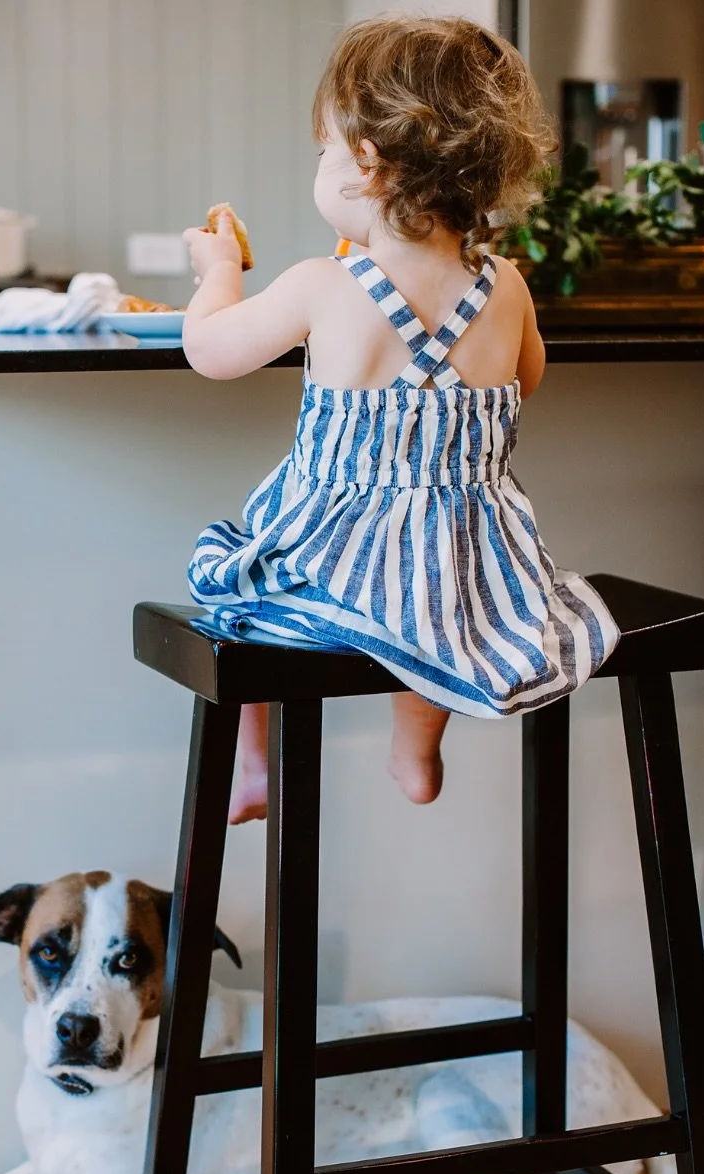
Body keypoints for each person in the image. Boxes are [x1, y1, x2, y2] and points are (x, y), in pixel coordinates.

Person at [181, 15, 619, 824]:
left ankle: (254, 766)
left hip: (330, 559)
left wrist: (218, 272)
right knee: (436, 612)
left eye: (324, 152)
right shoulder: (507, 285)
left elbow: (210, 350)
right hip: (467, 567)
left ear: (368, 163)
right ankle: (416, 751)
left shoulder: (322, 284)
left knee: (237, 597)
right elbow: (527, 379)